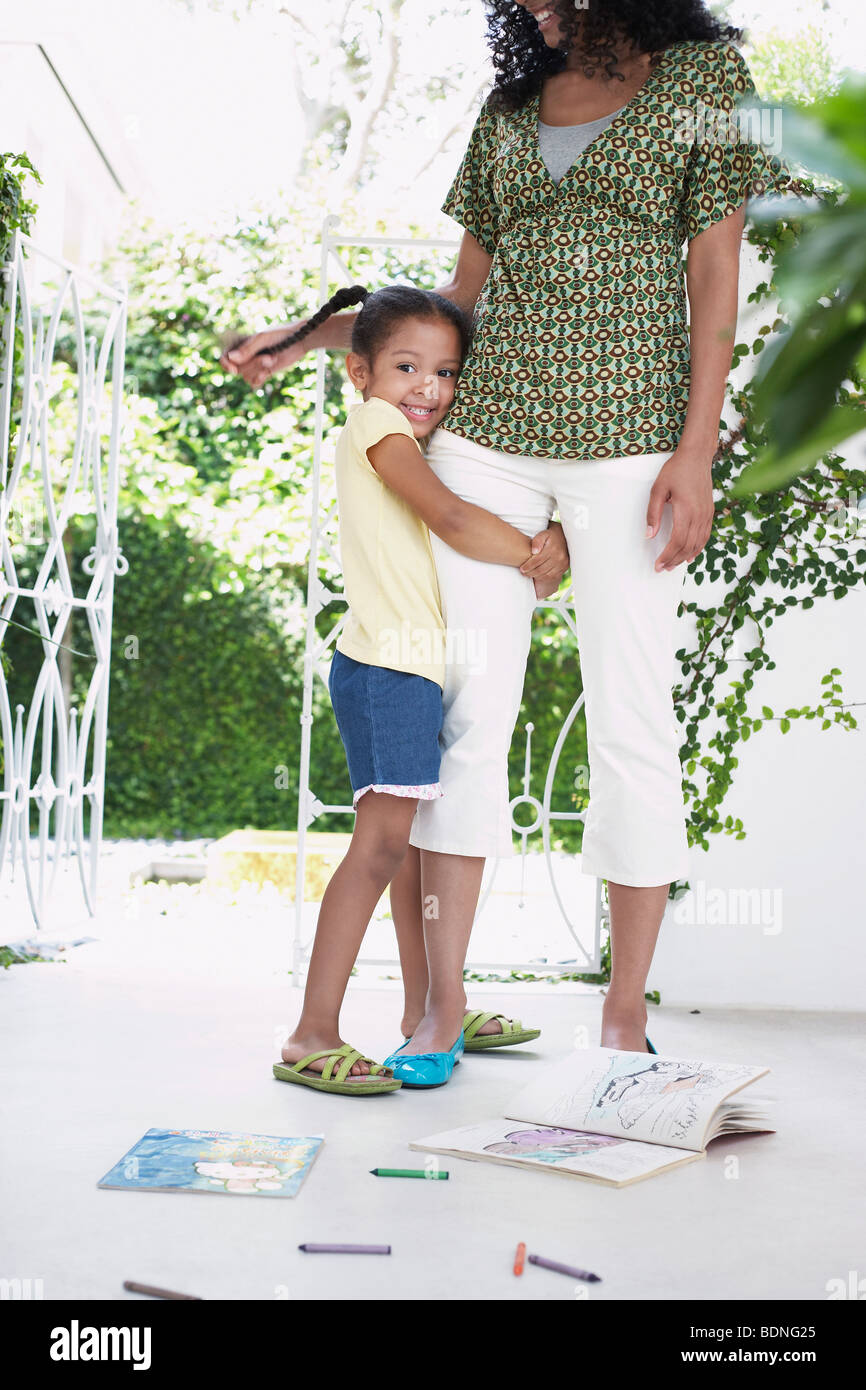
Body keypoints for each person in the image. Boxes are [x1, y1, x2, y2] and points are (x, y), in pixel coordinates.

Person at [222, 1, 789, 1061]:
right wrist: (309, 338)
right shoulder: (508, 108)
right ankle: (441, 1004)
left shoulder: (704, 82)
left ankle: (622, 1014)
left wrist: (696, 447)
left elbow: (716, 271)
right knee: (470, 723)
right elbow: (455, 304)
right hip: (487, 442)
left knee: (631, 721)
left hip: (632, 443)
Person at [267, 283, 568, 1092]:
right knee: (380, 848)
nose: (429, 387)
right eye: (407, 367)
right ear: (359, 372)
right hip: (385, 669)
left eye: (446, 372)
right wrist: (539, 553)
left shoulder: (405, 427)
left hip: (412, 668)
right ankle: (310, 1034)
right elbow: (450, 518)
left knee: (406, 851)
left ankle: (428, 1006)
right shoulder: (376, 425)